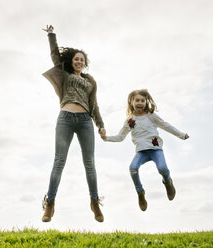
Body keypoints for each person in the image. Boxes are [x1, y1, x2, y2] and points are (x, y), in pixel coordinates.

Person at [41, 25, 106, 222]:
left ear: (85, 64)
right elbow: (54, 55)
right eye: (76, 59)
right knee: (59, 161)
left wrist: (100, 124)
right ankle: (50, 204)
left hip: (86, 120)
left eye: (82, 60)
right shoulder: (65, 75)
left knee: (90, 164)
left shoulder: (90, 80)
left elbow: (94, 104)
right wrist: (52, 36)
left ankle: (95, 202)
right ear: (72, 61)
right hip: (66, 118)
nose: (78, 61)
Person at [101, 89, 189, 211]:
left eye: (143, 101)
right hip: (141, 152)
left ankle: (168, 182)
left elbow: (166, 126)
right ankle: (140, 192)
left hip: (155, 150)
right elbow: (120, 137)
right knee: (133, 168)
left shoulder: (151, 116)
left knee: (163, 168)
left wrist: (181, 135)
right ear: (132, 102)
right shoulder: (130, 121)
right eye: (137, 100)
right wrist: (106, 138)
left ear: (146, 102)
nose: (140, 103)